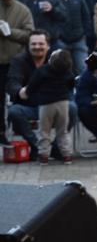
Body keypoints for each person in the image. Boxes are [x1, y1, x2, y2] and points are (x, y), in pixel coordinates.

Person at [5, 31, 78, 160]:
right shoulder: (18, 60)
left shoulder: (58, 59)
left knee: (72, 108)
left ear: (48, 46)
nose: (37, 47)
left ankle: (56, 148)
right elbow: (12, 83)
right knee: (14, 111)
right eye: (33, 44)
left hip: (54, 105)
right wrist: (19, 91)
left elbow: (69, 81)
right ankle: (37, 147)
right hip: (29, 106)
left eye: (41, 44)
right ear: (28, 46)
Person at [24, 48, 75, 165]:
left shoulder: (42, 70)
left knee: (44, 131)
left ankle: (44, 155)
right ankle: (67, 155)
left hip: (46, 104)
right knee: (63, 130)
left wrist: (27, 93)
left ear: (51, 60)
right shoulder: (68, 72)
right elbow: (71, 85)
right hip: (63, 102)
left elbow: (32, 86)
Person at [0, 0, 34, 144]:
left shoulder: (23, 10)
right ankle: (1, 133)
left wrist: (10, 32)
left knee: (16, 97)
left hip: (16, 62)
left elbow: (30, 35)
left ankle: (21, 133)